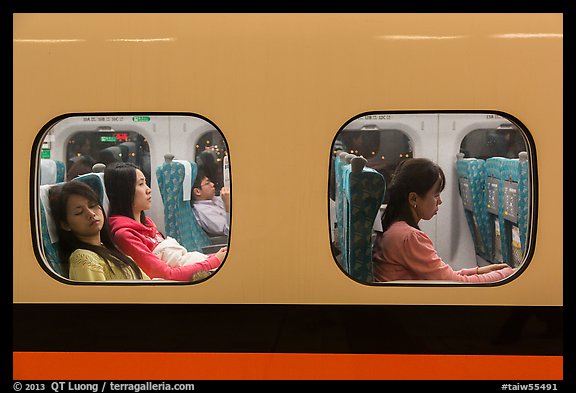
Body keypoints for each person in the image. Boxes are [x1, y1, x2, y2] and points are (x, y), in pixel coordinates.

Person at [372, 157, 516, 283]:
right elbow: (454, 284)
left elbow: (441, 276)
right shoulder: (409, 237)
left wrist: (478, 271)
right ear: (413, 198)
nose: (440, 201)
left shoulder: (394, 228)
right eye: (436, 195)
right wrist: (508, 274)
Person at [104, 162, 227, 281]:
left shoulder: (147, 224)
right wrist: (214, 261)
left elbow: (179, 259)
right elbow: (166, 275)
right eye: (141, 184)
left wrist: (214, 257)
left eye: (146, 183)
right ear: (124, 192)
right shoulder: (125, 235)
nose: (148, 190)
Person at [48, 181, 148, 281]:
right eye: (79, 212)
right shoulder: (83, 258)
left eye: (92, 205)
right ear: (65, 225)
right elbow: (98, 296)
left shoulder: (110, 250)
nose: (91, 214)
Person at [191, 169, 230, 237]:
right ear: (197, 191)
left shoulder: (213, 199)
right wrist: (227, 204)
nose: (212, 184)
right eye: (207, 183)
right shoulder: (203, 211)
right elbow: (228, 230)